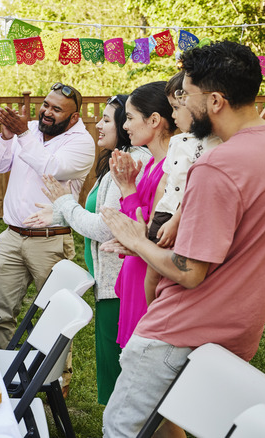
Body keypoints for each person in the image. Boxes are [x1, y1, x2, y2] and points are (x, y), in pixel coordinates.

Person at [100, 41, 265, 437]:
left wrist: (137, 239)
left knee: (121, 431)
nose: (180, 106)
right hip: (236, 332)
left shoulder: (216, 166)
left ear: (216, 101)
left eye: (186, 96)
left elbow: (189, 272)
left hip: (178, 333)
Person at [25, 94, 152, 405]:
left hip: (120, 284)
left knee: (120, 374)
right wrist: (59, 212)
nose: (99, 124)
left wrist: (64, 204)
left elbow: (104, 227)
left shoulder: (130, 161)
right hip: (110, 282)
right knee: (115, 367)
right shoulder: (117, 158)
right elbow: (96, 215)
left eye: (107, 119)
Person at [0, 82, 95, 351]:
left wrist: (23, 134)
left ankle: (56, 382)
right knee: (0, 313)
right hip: (11, 236)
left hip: (49, 240)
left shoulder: (82, 142)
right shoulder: (30, 131)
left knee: (53, 315)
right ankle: (1, 373)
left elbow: (51, 167)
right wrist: (7, 137)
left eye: (57, 109)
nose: (47, 112)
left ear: (74, 118)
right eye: (46, 104)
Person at [106, 82, 176, 349]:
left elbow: (146, 232)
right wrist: (128, 186)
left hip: (149, 272)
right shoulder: (151, 164)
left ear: (155, 120)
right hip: (135, 270)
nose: (125, 126)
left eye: (131, 117)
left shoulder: (171, 169)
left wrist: (127, 187)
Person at [141, 71, 221, 304]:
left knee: (180, 273)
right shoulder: (177, 141)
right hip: (165, 212)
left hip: (187, 216)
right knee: (153, 272)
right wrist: (155, 216)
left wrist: (176, 221)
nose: (173, 115)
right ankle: (150, 314)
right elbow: (165, 182)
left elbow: (196, 189)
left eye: (177, 108)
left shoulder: (213, 143)